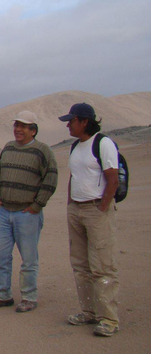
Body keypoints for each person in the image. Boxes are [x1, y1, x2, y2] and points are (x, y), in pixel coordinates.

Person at [0, 111, 58, 313]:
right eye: (16, 125)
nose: (18, 130)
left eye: (23, 126)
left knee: (28, 258)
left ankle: (29, 297)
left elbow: (50, 179)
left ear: (33, 130)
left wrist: (37, 205)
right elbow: (1, 175)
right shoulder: (7, 148)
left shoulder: (43, 151)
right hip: (5, 212)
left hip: (27, 214)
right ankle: (2, 295)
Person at [59, 103, 120, 337]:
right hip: (76, 209)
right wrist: (70, 204)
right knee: (80, 265)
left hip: (96, 209)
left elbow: (112, 179)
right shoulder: (75, 146)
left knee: (102, 266)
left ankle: (109, 318)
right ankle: (88, 311)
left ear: (84, 121)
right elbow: (74, 177)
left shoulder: (102, 143)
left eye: (71, 120)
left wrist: (102, 207)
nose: (67, 125)